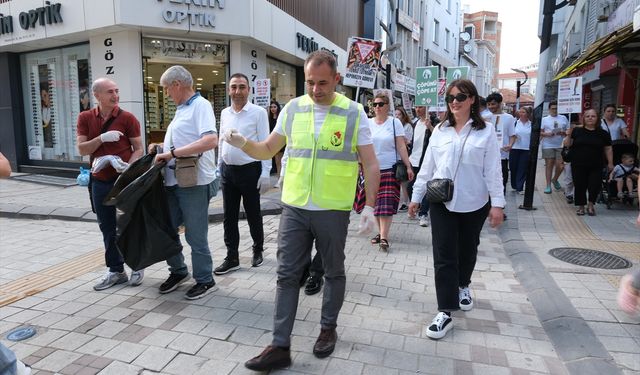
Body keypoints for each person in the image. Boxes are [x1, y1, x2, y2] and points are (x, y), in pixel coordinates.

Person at [222, 50, 380, 371]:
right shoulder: (293, 109)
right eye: (310, 82)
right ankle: (280, 345)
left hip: (333, 208)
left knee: (333, 272)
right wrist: (242, 143)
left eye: (323, 83)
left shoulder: (354, 112)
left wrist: (371, 207)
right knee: (286, 274)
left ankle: (327, 328)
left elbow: (371, 162)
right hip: (294, 206)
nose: (315, 89)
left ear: (337, 79)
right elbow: (268, 148)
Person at [408, 79, 505, 340]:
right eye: (450, 97)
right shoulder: (440, 130)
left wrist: (498, 204)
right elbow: (427, 167)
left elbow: (493, 171)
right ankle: (445, 311)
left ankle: (464, 285)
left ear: (472, 99)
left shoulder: (485, 131)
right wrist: (416, 197)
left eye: (460, 96)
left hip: (474, 202)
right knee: (443, 255)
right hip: (442, 202)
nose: (454, 101)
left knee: (468, 248)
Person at [150, 65, 219, 300]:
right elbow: (182, 142)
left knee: (195, 234)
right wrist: (160, 149)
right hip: (174, 181)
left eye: (167, 89)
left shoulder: (200, 105)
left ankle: (205, 279)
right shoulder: (182, 109)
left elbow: (210, 140)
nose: (167, 93)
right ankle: (179, 271)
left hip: (193, 182)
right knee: (168, 229)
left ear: (177, 85)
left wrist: (171, 153)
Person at [76, 78, 144, 291]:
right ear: (97, 95)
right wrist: (102, 139)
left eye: (117, 91)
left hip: (123, 181)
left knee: (129, 225)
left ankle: (138, 265)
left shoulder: (128, 118)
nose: (115, 95)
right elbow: (82, 149)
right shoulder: (85, 117)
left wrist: (129, 167)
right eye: (109, 92)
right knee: (107, 227)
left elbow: (139, 148)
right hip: (100, 181)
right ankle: (116, 270)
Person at [214, 73, 270, 275]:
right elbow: (221, 140)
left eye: (242, 87)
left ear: (249, 90)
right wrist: (219, 165)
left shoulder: (258, 112)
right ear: (229, 90)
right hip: (228, 171)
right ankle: (232, 256)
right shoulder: (225, 112)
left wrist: (265, 172)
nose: (237, 91)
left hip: (250, 171)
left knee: (253, 213)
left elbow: (265, 144)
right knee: (229, 216)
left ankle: (257, 249)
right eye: (234, 87)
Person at [369, 93, 414, 251]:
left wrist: (408, 166)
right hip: (371, 170)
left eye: (380, 104)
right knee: (375, 205)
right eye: (374, 104)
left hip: (389, 168)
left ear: (387, 106)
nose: (377, 107)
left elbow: (401, 146)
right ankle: (380, 233)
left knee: (386, 204)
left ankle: (384, 237)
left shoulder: (395, 123)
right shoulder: (368, 123)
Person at [563, 108, 613, 216]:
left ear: (597, 118)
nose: (590, 118)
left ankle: (591, 205)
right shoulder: (576, 131)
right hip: (578, 163)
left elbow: (608, 148)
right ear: (584, 118)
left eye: (593, 116)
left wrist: (610, 162)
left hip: (597, 164)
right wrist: (568, 134)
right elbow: (567, 145)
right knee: (580, 185)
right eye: (588, 116)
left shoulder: (603, 133)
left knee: (594, 185)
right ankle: (581, 206)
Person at [406, 105, 434, 227]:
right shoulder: (415, 123)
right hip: (414, 159)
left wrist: (431, 127)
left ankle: (423, 213)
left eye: (420, 107)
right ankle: (416, 206)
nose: (417, 109)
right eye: (416, 107)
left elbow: (439, 137)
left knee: (426, 187)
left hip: (426, 160)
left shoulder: (434, 121)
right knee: (410, 186)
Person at [540, 101, 569, 194]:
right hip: (547, 145)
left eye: (556, 108)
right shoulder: (544, 119)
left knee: (560, 165)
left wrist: (563, 133)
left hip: (560, 144)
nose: (555, 110)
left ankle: (555, 179)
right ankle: (548, 185)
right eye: (553, 108)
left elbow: (568, 131)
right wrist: (546, 134)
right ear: (549, 109)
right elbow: (539, 132)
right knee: (549, 165)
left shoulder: (563, 118)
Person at [508, 106, 533, 194]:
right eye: (520, 112)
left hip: (526, 149)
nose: (521, 114)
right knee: (513, 167)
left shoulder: (532, 124)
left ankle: (520, 187)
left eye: (524, 112)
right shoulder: (515, 123)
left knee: (522, 168)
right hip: (514, 148)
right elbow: (509, 134)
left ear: (528, 114)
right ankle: (514, 185)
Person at [395, 106, 413, 212]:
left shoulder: (407, 126)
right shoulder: (394, 125)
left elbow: (408, 141)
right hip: (394, 156)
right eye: (396, 114)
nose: (397, 116)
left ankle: (405, 202)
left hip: (403, 156)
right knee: (397, 180)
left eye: (399, 114)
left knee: (403, 181)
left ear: (403, 116)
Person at [269, 100, 284, 176]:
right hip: (273, 143)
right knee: (277, 162)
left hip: (281, 142)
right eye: (271, 107)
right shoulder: (269, 119)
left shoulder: (281, 118)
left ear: (278, 108)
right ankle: (279, 179)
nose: (273, 108)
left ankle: (280, 180)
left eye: (274, 107)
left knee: (280, 162)